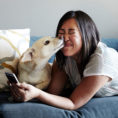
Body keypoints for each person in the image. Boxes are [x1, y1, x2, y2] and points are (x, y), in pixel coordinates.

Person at [9, 10, 118, 111]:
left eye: (71, 32)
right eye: (61, 32)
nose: (64, 38)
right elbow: (53, 93)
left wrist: (37, 93)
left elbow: (73, 103)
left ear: (86, 34)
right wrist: (24, 91)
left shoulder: (102, 60)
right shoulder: (65, 57)